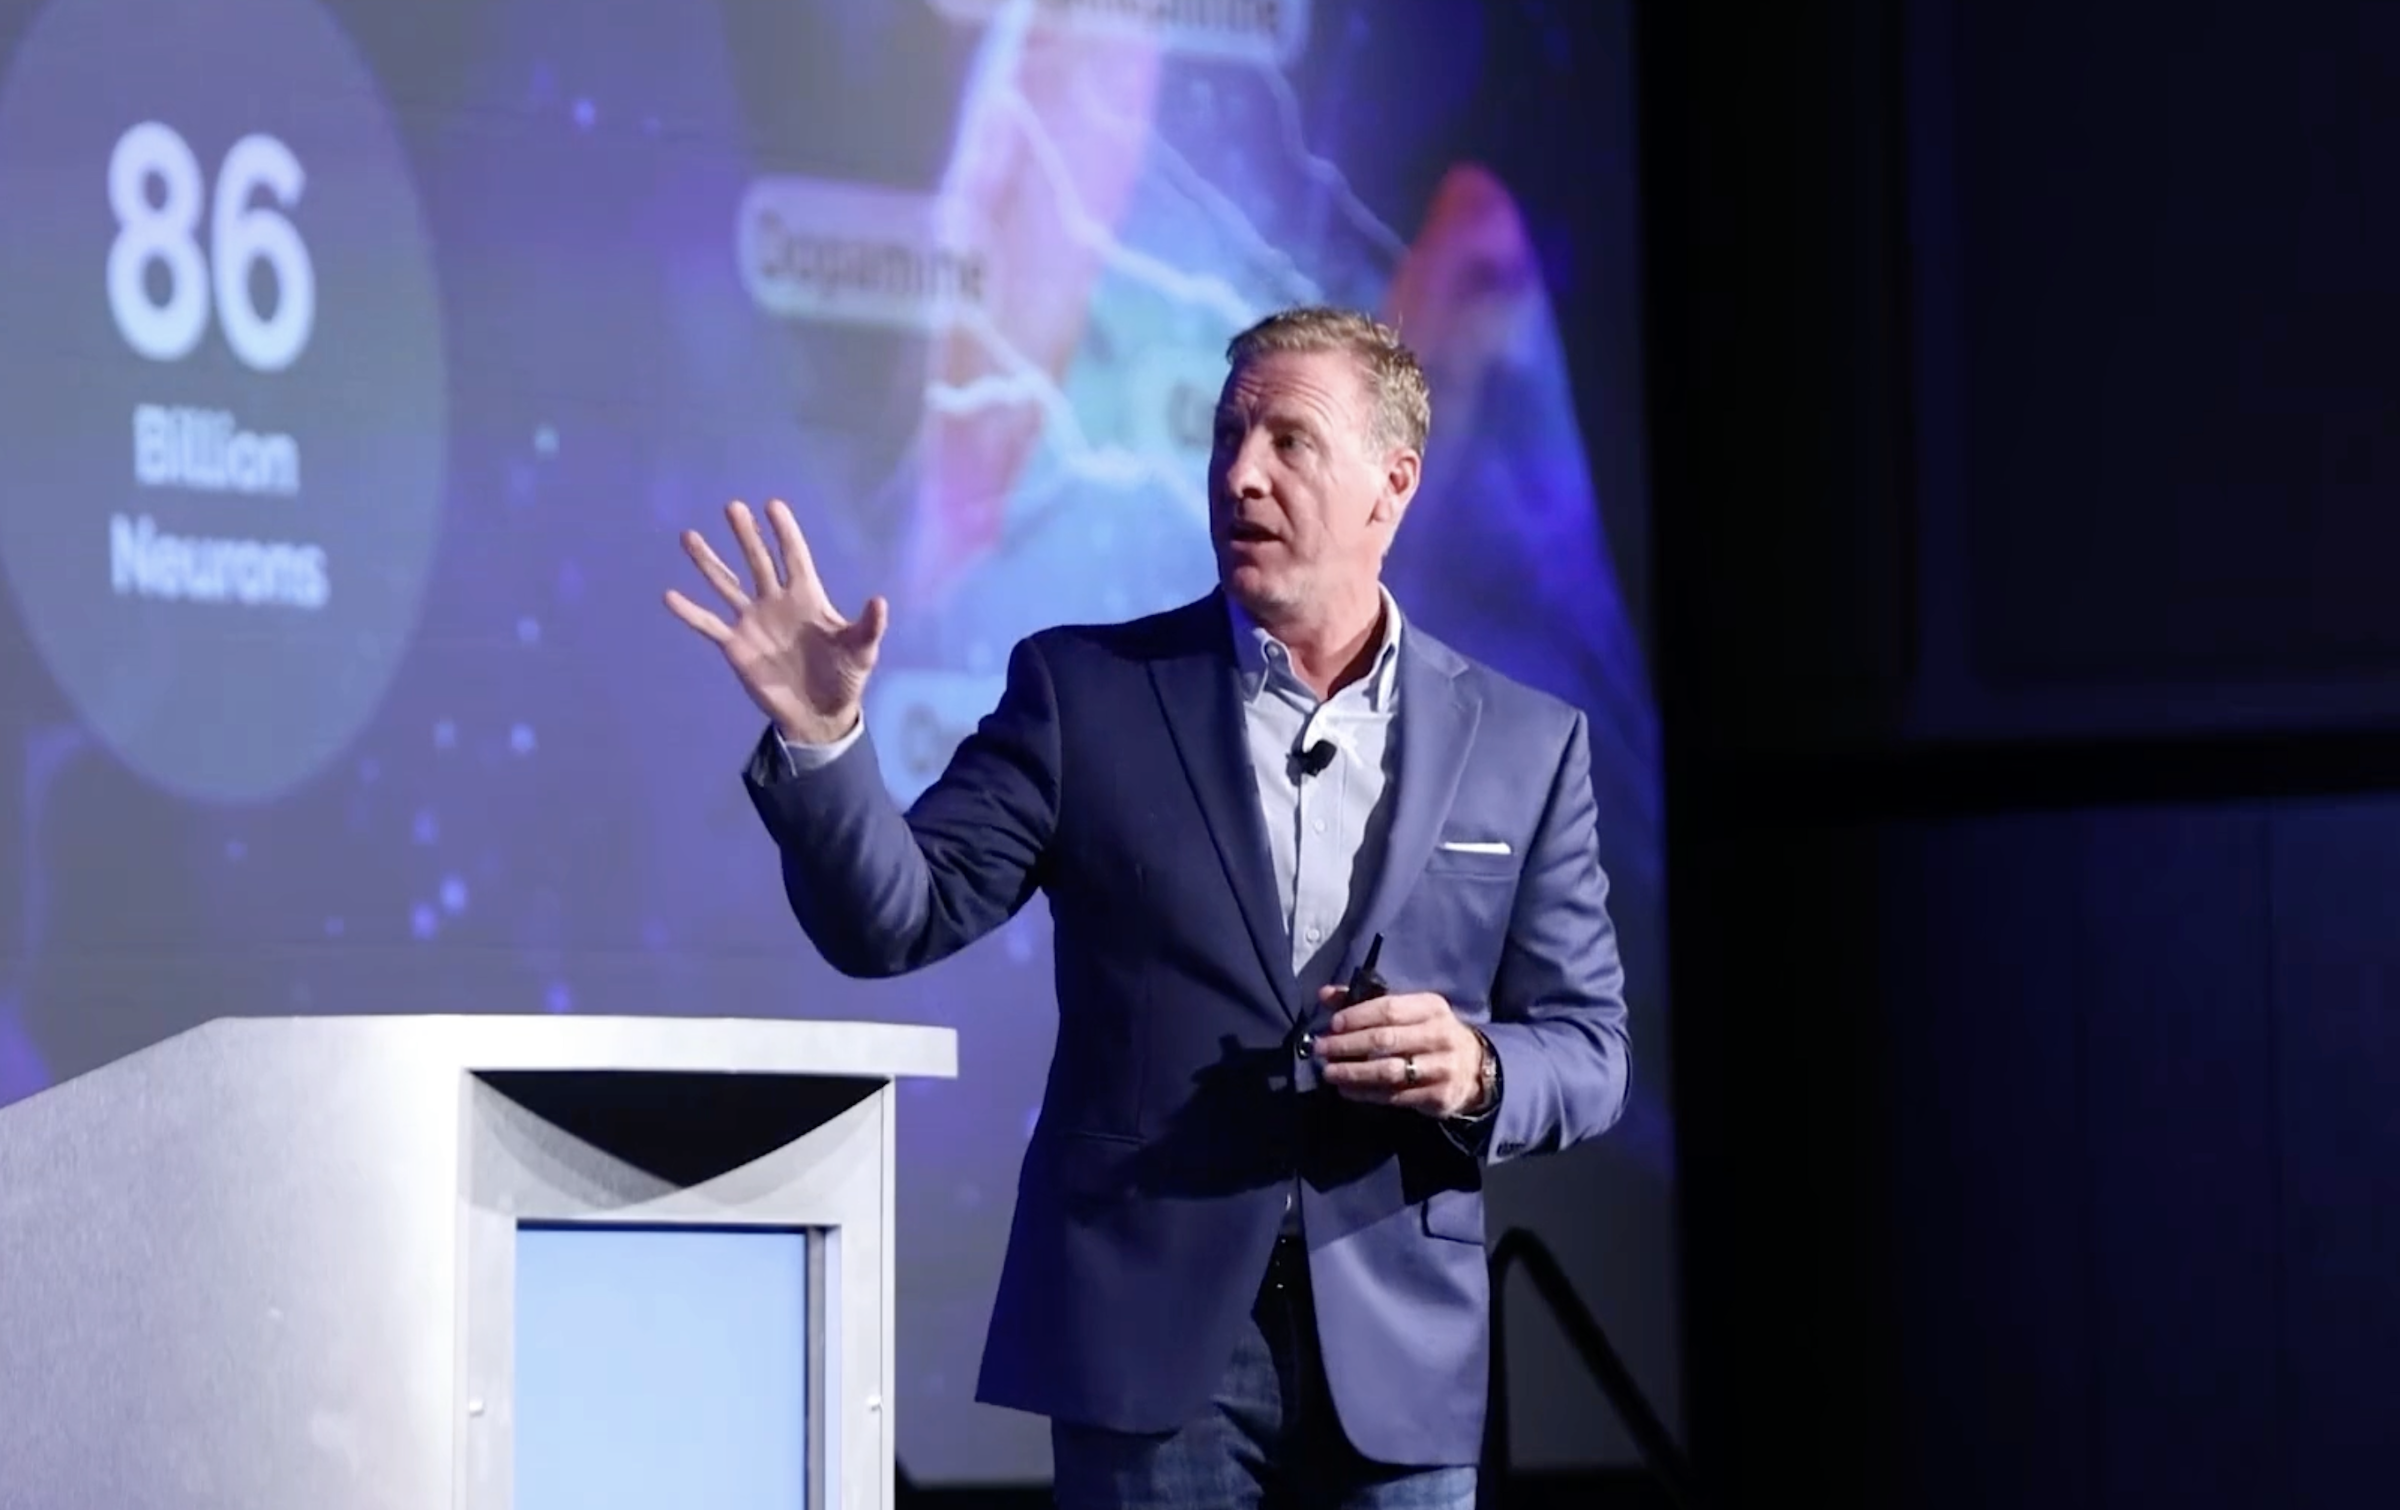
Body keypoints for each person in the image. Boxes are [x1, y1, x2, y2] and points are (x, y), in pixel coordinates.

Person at [665, 306, 1630, 1509]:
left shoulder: (1527, 745)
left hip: (1399, 1353)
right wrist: (824, 738)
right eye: (1227, 435)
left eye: (1289, 440)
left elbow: (1590, 1051)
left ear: (1393, 485)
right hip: (1149, 1342)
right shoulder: (1086, 695)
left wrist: (1479, 1066)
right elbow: (890, 920)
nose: (1241, 473)